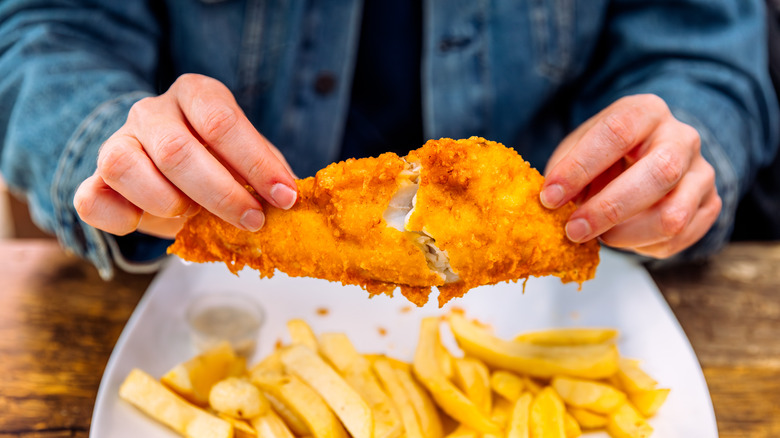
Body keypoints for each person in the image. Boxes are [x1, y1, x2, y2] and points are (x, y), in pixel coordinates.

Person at [0, 0, 776, 280]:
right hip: (196, 268)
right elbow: (48, 29)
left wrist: (673, 154)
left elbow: (702, 48)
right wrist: (120, 141)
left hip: (582, 262)